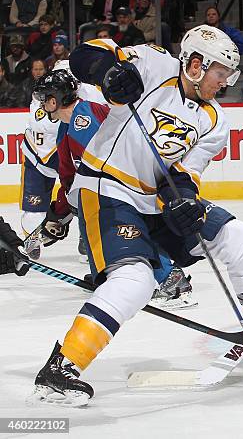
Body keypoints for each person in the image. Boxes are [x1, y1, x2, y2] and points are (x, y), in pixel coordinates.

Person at [24, 25, 243, 406]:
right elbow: (86, 56)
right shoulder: (153, 63)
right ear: (196, 65)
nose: (225, 83)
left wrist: (184, 200)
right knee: (135, 279)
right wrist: (110, 73)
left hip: (154, 200)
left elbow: (185, 174)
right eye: (221, 74)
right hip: (107, 189)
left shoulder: (214, 121)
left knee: (241, 237)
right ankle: (62, 366)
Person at [29, 66, 195, 309]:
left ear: (55, 99)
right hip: (108, 188)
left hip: (123, 187)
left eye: (45, 99)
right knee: (98, 229)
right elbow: (70, 176)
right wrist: (57, 215)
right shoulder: (68, 124)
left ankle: (171, 280)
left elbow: (106, 164)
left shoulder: (83, 120)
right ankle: (114, 275)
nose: (42, 105)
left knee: (128, 230)